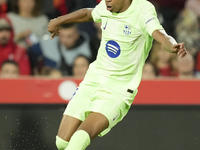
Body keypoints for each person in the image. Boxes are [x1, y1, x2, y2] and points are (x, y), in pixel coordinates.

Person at [48, 0, 187, 149]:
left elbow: (160, 35)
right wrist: (58, 20)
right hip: (92, 81)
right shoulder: (108, 6)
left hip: (118, 91)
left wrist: (172, 45)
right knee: (62, 143)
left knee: (77, 142)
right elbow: (88, 14)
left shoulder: (143, 10)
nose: (107, 0)